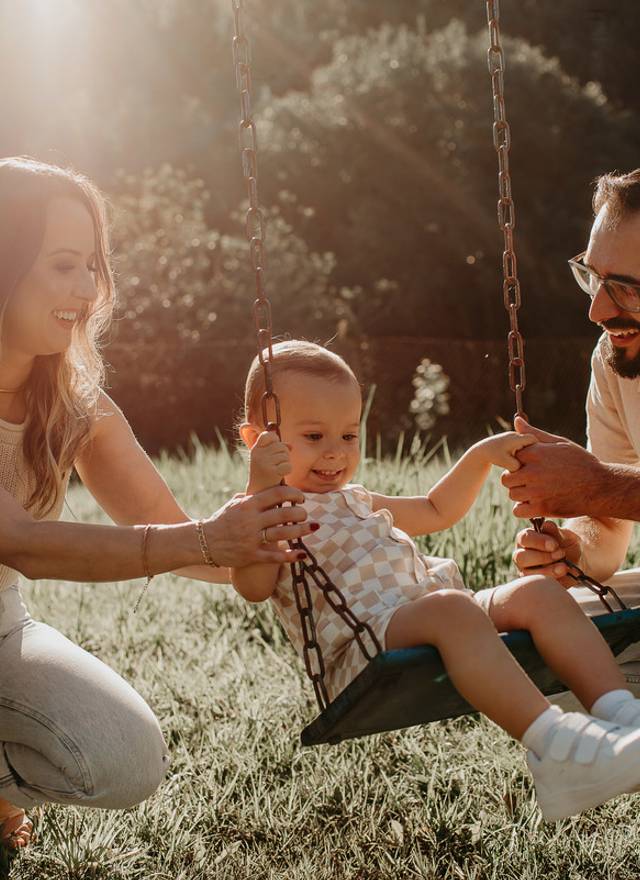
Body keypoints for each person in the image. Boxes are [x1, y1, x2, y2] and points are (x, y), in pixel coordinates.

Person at [0, 156, 315, 853]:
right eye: (61, 265)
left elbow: (173, 530)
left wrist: (293, 548)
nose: (85, 289)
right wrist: (209, 540)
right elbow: (17, 541)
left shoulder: (70, 398)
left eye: (92, 265)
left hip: (2, 628)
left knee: (127, 757)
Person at [232, 339, 640, 822]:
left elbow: (435, 509)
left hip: (438, 609)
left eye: (348, 436)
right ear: (260, 441)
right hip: (365, 645)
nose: (336, 454)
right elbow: (253, 586)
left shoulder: (356, 498)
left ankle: (623, 719)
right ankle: (557, 748)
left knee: (538, 593)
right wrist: (262, 493)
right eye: (315, 437)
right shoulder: (262, 511)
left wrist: (481, 456)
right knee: (452, 609)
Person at [504, 170, 640, 623]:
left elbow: (610, 492)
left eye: (626, 290)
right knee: (518, 624)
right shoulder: (614, 358)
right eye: (593, 278)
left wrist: (600, 484)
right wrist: (574, 548)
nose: (597, 310)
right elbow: (609, 523)